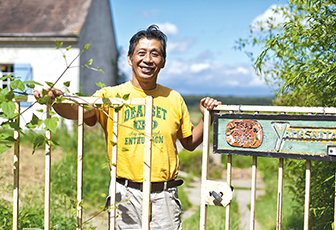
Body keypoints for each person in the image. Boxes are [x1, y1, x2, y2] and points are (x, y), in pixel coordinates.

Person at [34, 24, 221, 229]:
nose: (148, 59)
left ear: (163, 62)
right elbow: (80, 112)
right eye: (141, 53)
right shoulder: (111, 96)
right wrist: (54, 101)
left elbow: (190, 142)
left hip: (164, 196)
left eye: (155, 54)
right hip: (124, 192)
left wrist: (206, 118)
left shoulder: (173, 98)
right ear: (130, 58)